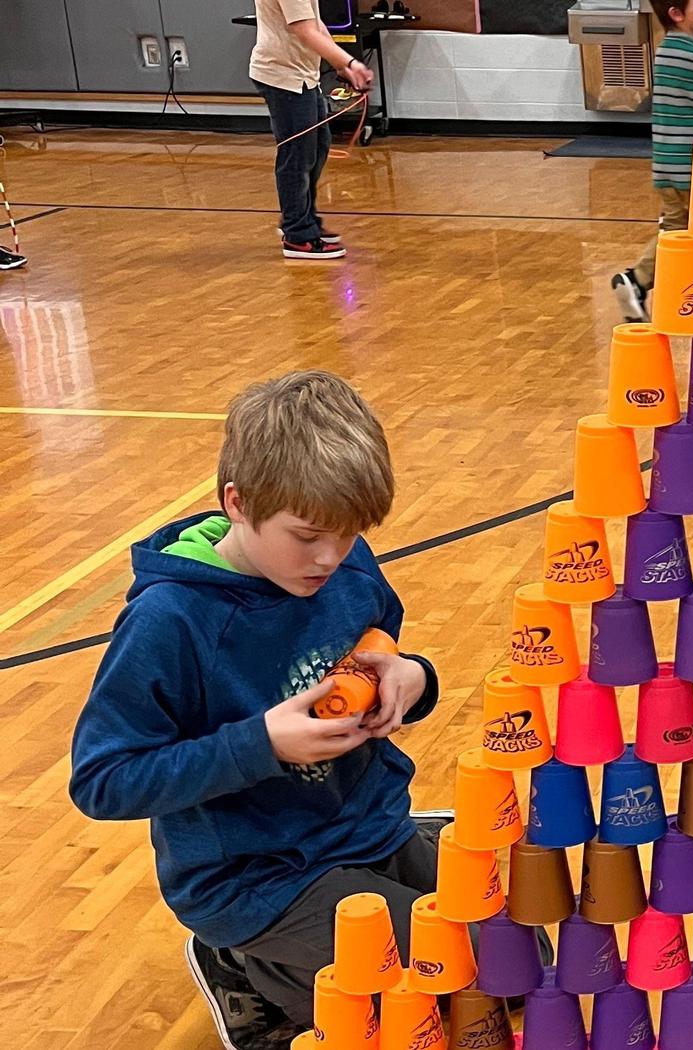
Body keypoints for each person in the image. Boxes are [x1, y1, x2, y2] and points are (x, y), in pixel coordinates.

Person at [69, 372, 443, 1050]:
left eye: (350, 534)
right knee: (408, 1018)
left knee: (511, 960)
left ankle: (388, 869)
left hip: (367, 827)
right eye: (306, 536)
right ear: (237, 503)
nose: (330, 557)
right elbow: (103, 780)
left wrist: (413, 677)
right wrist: (261, 744)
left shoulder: (344, 563)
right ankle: (242, 965)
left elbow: (383, 639)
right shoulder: (171, 620)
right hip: (255, 877)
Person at [612, 0, 693, 322]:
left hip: (667, 167)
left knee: (675, 232)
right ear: (677, 14)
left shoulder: (667, 49)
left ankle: (637, 280)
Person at [250, 0, 374, 260]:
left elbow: (314, 23)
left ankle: (301, 217)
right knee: (298, 155)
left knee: (318, 148)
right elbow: (304, 30)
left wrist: (340, 64)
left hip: (304, 75)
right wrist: (350, 63)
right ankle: (298, 234)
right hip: (283, 77)